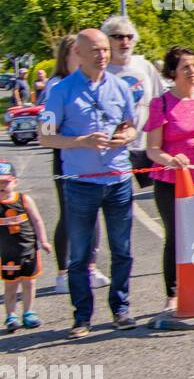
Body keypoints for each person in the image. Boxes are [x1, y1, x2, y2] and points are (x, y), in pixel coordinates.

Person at [37, 29, 137, 338]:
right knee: (80, 254)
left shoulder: (120, 87)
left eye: (105, 49)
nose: (102, 55)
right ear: (78, 54)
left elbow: (132, 127)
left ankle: (120, 308)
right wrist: (81, 141)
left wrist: (125, 137)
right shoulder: (61, 90)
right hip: (81, 182)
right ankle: (82, 316)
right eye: (95, 50)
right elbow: (45, 136)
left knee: (122, 250)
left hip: (118, 178)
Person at [144, 46, 194, 313]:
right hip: (172, 179)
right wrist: (171, 160)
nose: (192, 71)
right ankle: (173, 293)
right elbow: (152, 149)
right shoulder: (162, 103)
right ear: (173, 73)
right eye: (185, 67)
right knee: (176, 235)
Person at [43, 35, 109, 294]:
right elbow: (47, 131)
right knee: (69, 215)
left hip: (94, 161)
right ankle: (63, 272)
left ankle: (90, 267)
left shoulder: (95, 84)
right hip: (65, 159)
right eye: (77, 53)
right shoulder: (57, 86)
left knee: (93, 216)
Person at [101, 15, 166, 188]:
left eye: (129, 37)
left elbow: (160, 101)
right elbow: (48, 127)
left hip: (147, 144)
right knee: (120, 198)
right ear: (106, 40)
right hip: (114, 148)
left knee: (153, 196)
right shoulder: (99, 70)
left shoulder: (143, 66)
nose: (125, 42)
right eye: (118, 37)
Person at [0, 161, 51, 333]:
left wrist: (43, 241)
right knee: (10, 285)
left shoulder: (24, 200)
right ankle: (11, 316)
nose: (2, 186)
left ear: (14, 181)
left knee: (29, 283)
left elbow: (37, 221)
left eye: (5, 182)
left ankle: (29, 312)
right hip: (7, 254)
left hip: (28, 250)